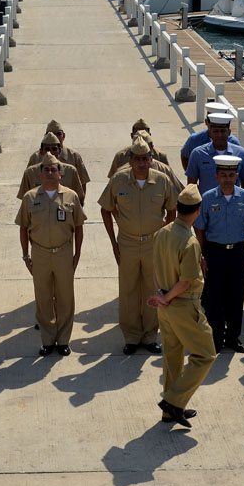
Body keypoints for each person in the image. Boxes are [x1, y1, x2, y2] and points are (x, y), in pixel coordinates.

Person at [98, 138, 177, 354]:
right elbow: (105, 209)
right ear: (130, 160)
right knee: (129, 290)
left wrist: (166, 234)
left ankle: (151, 336)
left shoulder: (162, 180)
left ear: (151, 160)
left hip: (154, 243)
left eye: (145, 159)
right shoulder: (119, 180)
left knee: (153, 289)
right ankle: (132, 337)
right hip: (128, 243)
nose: (141, 163)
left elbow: (172, 209)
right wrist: (114, 242)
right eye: (137, 159)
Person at [147, 184, 216, 428]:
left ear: (177, 209)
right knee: (206, 355)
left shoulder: (162, 233)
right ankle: (174, 402)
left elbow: (155, 268)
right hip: (183, 305)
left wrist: (160, 295)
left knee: (172, 357)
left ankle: (172, 411)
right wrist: (167, 298)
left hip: (165, 305)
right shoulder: (190, 241)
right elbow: (186, 282)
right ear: (198, 211)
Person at [16, 153, 86, 357]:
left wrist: (77, 254)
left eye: (53, 169)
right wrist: (25, 255)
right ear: (40, 173)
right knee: (43, 297)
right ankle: (47, 340)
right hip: (40, 253)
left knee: (65, 298)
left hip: (64, 252)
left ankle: (63, 340)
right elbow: (22, 228)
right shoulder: (30, 197)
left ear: (60, 174)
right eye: (45, 170)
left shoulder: (71, 196)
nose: (49, 173)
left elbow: (79, 227)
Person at [193, 155, 244, 353]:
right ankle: (216, 339)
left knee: (236, 297)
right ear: (216, 176)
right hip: (215, 253)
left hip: (237, 252)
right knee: (215, 299)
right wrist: (202, 257)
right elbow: (200, 229)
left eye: (231, 175)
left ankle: (233, 338)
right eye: (223, 175)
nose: (228, 179)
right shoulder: (207, 198)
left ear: (237, 176)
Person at [186, 112, 244, 193]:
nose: (219, 135)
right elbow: (191, 186)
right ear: (210, 132)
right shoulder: (197, 154)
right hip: (206, 204)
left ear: (229, 132)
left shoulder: (241, 153)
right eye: (216, 131)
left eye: (223, 131)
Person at [26, 120, 90, 197]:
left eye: (58, 134)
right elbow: (27, 184)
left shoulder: (74, 156)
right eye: (52, 134)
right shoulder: (35, 158)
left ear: (64, 135)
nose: (55, 136)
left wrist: (80, 203)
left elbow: (82, 182)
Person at [18, 132, 86, 203]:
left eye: (54, 149)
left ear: (59, 151)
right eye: (47, 149)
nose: (50, 152)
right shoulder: (30, 173)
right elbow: (25, 201)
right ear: (41, 151)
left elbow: (79, 198)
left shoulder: (71, 171)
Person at [110, 130, 183, 193]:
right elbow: (109, 203)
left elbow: (178, 195)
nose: (141, 163)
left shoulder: (164, 170)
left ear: (152, 147)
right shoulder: (120, 174)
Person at [180, 102, 242, 171]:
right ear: (206, 122)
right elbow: (184, 156)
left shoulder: (233, 142)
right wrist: (192, 174)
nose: (219, 135)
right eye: (213, 124)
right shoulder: (194, 139)